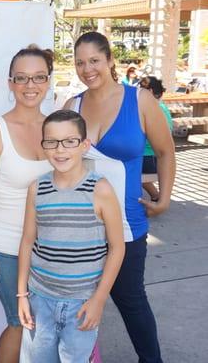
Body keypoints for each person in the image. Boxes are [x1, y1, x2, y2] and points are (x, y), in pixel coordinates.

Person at [65, 31, 176, 363]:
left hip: (128, 225)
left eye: (95, 61)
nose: (88, 69)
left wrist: (165, 198)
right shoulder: (73, 106)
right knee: (78, 302)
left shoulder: (140, 100)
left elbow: (165, 152)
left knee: (130, 299)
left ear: (110, 60)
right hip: (82, 227)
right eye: (80, 62)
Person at [17, 109, 125, 362]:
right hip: (39, 299)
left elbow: (117, 248)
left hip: (82, 303)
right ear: (43, 146)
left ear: (84, 145)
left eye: (69, 141)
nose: (60, 149)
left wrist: (99, 299)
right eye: (52, 142)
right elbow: (27, 242)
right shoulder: (38, 188)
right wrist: (22, 295)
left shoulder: (101, 189)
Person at [0, 45, 53, 363]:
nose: (30, 86)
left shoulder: (57, 127)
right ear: (10, 83)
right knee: (20, 321)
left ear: (48, 81)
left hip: (51, 249)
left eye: (38, 77)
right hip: (6, 247)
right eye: (22, 78)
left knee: (45, 325)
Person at [139, 76, 173, 201]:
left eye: (141, 89)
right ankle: (155, 195)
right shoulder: (161, 107)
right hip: (152, 157)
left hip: (150, 158)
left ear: (150, 92)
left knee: (120, 163)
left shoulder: (154, 110)